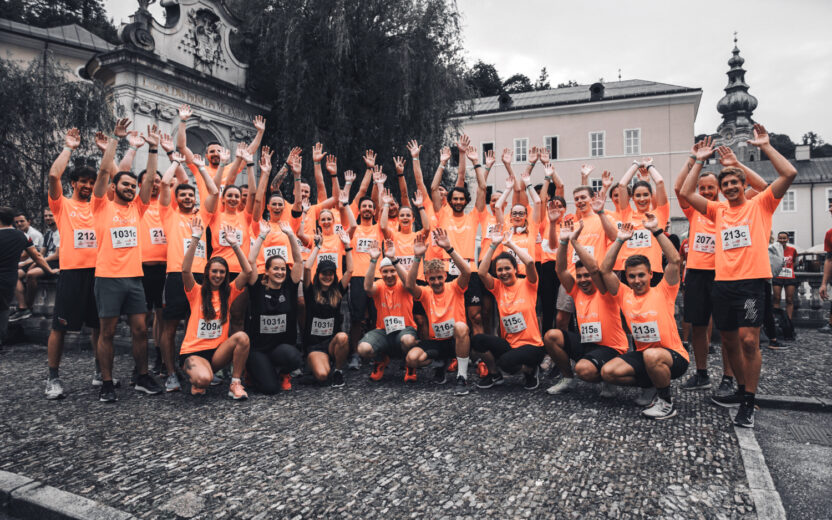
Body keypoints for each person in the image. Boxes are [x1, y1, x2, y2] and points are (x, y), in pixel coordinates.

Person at [680, 125, 797, 428]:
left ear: (742, 184)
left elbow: (789, 174)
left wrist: (766, 147)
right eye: (726, 184)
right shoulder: (718, 211)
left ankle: (748, 400)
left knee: (748, 341)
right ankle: (741, 390)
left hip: (751, 284)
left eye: (734, 182)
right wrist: (699, 161)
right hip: (723, 284)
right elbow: (687, 192)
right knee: (730, 341)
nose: (730, 187)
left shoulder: (761, 204)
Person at [90, 119, 163, 401]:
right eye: (126, 184)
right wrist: (114, 141)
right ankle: (107, 382)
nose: (132, 188)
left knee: (140, 329)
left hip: (134, 278)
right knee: (107, 332)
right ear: (115, 187)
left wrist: (154, 148)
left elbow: (150, 179)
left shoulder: (138, 209)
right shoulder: (101, 205)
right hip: (107, 277)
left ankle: (142, 376)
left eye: (134, 185)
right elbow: (102, 173)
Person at [599, 218, 690, 420]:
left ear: (650, 274)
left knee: (651, 355)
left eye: (641, 275)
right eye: (632, 277)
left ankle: (666, 403)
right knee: (608, 372)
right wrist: (620, 240)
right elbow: (604, 270)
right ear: (627, 278)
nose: (637, 280)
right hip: (645, 355)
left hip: (673, 356)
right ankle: (651, 385)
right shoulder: (624, 294)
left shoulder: (664, 291)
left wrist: (656, 231)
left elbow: (675, 260)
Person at [42, 130, 103, 398]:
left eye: (92, 181)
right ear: (74, 183)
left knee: (99, 326)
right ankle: (53, 378)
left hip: (99, 273)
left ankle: (100, 371)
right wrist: (68, 148)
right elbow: (54, 175)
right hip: (72, 273)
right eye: (83, 181)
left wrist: (105, 152)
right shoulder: (62, 205)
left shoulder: (99, 207)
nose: (88, 185)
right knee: (60, 327)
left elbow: (112, 178)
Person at [156, 150, 219, 392]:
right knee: (170, 326)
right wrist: (175, 162)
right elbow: (163, 183)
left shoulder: (202, 216)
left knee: (201, 324)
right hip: (176, 276)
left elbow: (214, 192)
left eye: (190, 195)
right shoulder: (168, 215)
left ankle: (203, 366)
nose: (187, 198)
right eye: (182, 195)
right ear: (176, 199)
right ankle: (171, 372)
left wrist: (201, 168)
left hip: (202, 278)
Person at [544, 219, 629, 397]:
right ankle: (568, 378)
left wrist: (575, 242)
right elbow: (560, 270)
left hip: (611, 347)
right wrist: (563, 240)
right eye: (580, 276)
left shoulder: (605, 290)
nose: (583, 280)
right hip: (588, 343)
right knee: (551, 336)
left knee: (584, 370)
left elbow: (594, 268)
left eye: (587, 276)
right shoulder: (576, 290)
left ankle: (609, 378)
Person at [179, 217, 251, 399]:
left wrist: (235, 245)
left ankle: (235, 384)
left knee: (242, 337)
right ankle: (198, 378)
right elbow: (186, 271)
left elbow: (248, 272)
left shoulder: (229, 292)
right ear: (207, 273)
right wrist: (195, 238)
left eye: (222, 272)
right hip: (194, 351)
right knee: (204, 380)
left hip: (217, 352)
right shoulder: (195, 291)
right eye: (214, 271)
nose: (218, 275)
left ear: (226, 275)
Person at [474, 227, 545, 390]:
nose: (503, 272)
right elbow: (482, 272)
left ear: (515, 269)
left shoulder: (528, 284)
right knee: (477, 340)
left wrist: (511, 244)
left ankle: (530, 371)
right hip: (510, 344)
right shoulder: (498, 287)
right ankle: (494, 374)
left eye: (507, 268)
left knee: (506, 363)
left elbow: (530, 262)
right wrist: (493, 245)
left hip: (532, 346)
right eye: (500, 270)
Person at [406, 229, 471, 394]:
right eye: (432, 279)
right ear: (427, 279)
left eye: (439, 277)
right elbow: (409, 285)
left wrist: (449, 249)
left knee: (461, 327)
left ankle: (461, 377)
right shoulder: (426, 292)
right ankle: (440, 364)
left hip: (455, 340)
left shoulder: (455, 287)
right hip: (436, 341)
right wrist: (416, 257)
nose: (436, 282)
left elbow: (467, 272)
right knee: (412, 359)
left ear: (445, 275)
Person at [245, 221, 305, 393]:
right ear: (268, 271)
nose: (280, 272)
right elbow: (251, 261)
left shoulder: (290, 288)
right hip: (259, 349)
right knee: (271, 389)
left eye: (283, 269)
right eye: (276, 269)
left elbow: (299, 261)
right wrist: (262, 236)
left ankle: (282, 371)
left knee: (294, 358)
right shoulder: (258, 289)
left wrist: (291, 236)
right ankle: (255, 370)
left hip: (281, 348)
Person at [356, 239, 418, 382]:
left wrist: (394, 259)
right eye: (385, 272)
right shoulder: (379, 285)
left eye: (392, 271)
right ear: (381, 273)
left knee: (408, 340)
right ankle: (381, 360)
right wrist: (373, 260)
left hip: (405, 329)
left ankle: (410, 365)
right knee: (363, 348)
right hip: (384, 331)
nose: (389, 275)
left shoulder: (404, 285)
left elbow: (410, 283)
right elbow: (367, 288)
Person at [302, 228, 353, 387]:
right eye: (324, 273)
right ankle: (313, 364)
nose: (327, 276)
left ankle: (338, 371)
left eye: (331, 273)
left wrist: (347, 246)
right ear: (319, 275)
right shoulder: (310, 292)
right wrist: (317, 246)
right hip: (314, 345)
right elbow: (307, 268)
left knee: (343, 337)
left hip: (331, 343)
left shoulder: (337, 291)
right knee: (322, 376)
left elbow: (350, 270)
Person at [1, 207, 54, 344]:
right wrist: (50, 270)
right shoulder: (23, 236)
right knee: (3, 309)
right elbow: (37, 256)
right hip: (9, 278)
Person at [616, 158, 670, 286]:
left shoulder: (659, 215)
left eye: (646, 195)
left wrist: (649, 166)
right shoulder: (626, 214)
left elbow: (660, 182)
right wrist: (636, 164)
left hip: (653, 271)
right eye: (638, 196)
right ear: (632, 198)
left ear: (651, 196)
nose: (642, 199)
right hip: (629, 271)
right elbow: (622, 185)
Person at [11, 208, 59, 323]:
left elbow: (57, 255)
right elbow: (40, 253)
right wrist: (36, 262)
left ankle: (29, 306)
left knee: (31, 274)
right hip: (44, 260)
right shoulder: (48, 234)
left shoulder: (61, 232)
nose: (47, 218)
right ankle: (22, 307)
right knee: (14, 274)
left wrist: (38, 262)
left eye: (50, 215)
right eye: (46, 216)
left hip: (55, 262)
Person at [772, 231, 798, 321]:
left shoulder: (792, 250)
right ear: (777, 239)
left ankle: (788, 321)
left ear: (787, 239)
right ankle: (777, 320)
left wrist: (789, 268)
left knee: (790, 299)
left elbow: (795, 261)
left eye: (784, 238)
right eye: (780, 238)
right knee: (776, 298)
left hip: (789, 277)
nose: (782, 240)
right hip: (777, 276)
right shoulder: (774, 250)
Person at [819, 200, 832, 333]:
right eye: (830, 206)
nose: (830, 208)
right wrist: (824, 284)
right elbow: (829, 259)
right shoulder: (829, 233)